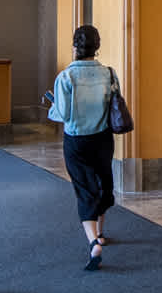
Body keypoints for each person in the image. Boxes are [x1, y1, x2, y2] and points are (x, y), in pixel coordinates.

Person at [46, 24, 119, 271]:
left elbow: (63, 114)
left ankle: (93, 242)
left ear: (75, 46)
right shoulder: (109, 74)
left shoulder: (66, 77)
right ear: (97, 47)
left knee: (85, 188)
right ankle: (101, 233)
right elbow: (113, 105)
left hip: (77, 140)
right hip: (103, 137)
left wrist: (52, 107)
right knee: (102, 182)